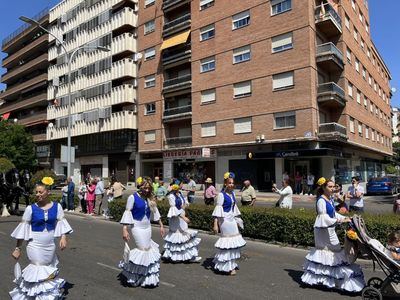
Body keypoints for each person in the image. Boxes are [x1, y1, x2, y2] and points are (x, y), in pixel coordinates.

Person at [9, 177, 73, 299]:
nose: (37, 194)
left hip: (49, 245)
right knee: (38, 268)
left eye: (40, 192)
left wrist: (63, 237)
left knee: (47, 272)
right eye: (36, 192)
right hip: (35, 245)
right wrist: (18, 248)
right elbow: (23, 230)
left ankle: (45, 296)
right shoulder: (30, 209)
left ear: (48, 192)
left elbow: (61, 223)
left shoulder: (57, 207)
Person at [301, 177, 365, 292]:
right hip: (323, 230)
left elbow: (333, 214)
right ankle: (334, 280)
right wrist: (340, 221)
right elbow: (323, 218)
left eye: (333, 186)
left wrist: (345, 218)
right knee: (332, 253)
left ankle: (330, 280)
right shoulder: (321, 200)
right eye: (330, 187)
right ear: (323, 188)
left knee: (332, 254)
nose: (332, 188)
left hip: (330, 228)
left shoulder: (329, 198)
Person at [119, 176, 165, 287]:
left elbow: (155, 211)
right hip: (137, 227)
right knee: (142, 249)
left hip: (147, 227)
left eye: (149, 188)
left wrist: (161, 225)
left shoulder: (150, 198)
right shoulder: (132, 197)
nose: (147, 190)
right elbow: (128, 212)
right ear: (140, 186)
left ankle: (145, 277)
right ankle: (133, 276)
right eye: (145, 187)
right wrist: (125, 229)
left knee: (148, 250)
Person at [212, 172, 246, 275]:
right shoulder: (221, 195)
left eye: (232, 183)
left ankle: (231, 264)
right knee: (228, 243)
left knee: (234, 242)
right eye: (229, 183)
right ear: (225, 183)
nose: (231, 184)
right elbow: (218, 210)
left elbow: (234, 208)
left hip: (232, 219)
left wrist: (237, 219)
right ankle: (227, 266)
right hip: (224, 221)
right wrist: (215, 224)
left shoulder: (233, 194)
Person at [163, 180, 202, 263]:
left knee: (184, 236)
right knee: (178, 237)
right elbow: (173, 210)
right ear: (176, 185)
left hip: (182, 215)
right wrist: (183, 217)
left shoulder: (180, 193)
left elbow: (185, 203)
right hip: (176, 218)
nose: (182, 185)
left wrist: (184, 206)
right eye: (181, 183)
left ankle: (189, 256)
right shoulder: (171, 196)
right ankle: (176, 256)